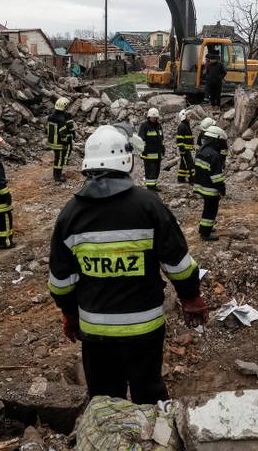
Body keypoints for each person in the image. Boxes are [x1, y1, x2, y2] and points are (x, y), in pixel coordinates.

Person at [48, 124, 209, 404]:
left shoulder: (70, 215)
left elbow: (61, 282)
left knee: (105, 400)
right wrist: (190, 296)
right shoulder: (149, 206)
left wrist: (70, 314)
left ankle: (111, 445)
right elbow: (178, 263)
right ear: (127, 160)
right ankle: (155, 444)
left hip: (95, 331)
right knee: (148, 394)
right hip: (144, 328)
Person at [193, 126, 227, 241]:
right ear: (215, 140)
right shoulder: (214, 155)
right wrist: (222, 189)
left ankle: (204, 228)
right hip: (211, 189)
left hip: (202, 186)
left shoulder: (201, 151)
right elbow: (217, 177)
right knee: (211, 211)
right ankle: (205, 233)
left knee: (207, 209)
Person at [47, 97, 76, 183]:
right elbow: (63, 135)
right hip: (59, 144)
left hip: (52, 142)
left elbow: (47, 130)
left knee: (57, 158)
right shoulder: (61, 120)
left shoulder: (50, 117)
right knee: (59, 159)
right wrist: (70, 138)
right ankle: (57, 177)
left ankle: (56, 174)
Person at [137, 107, 164, 190]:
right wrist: (142, 151)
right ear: (149, 117)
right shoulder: (144, 126)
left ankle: (154, 185)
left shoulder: (158, 126)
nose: (154, 119)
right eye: (153, 117)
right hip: (148, 154)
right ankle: (150, 187)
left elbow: (161, 139)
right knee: (150, 171)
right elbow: (140, 140)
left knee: (156, 171)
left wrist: (163, 149)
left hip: (157, 153)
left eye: (155, 117)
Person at [175, 109, 195, 183]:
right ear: (184, 116)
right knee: (190, 164)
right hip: (184, 150)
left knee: (183, 164)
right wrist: (182, 150)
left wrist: (192, 145)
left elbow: (188, 138)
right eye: (188, 115)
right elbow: (179, 139)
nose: (190, 116)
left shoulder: (186, 125)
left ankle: (181, 178)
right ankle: (192, 180)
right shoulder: (182, 126)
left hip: (187, 149)